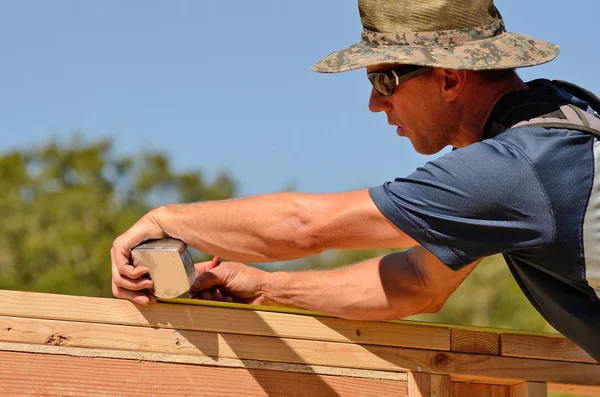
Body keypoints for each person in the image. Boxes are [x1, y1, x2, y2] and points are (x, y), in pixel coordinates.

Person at [111, 0, 600, 361]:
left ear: (451, 78)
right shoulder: (558, 116)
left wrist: (166, 218)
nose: (374, 103)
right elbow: (418, 283)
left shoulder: (514, 167)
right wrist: (264, 288)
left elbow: (305, 227)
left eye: (384, 81)